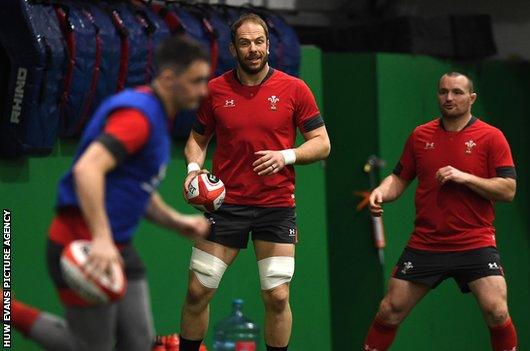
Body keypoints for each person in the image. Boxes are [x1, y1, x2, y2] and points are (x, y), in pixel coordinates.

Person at [11, 35, 211, 351]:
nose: (203, 90)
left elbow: (136, 188)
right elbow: (87, 170)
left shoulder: (159, 118)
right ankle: (7, 309)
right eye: (197, 80)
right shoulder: (138, 116)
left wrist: (176, 222)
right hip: (82, 240)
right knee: (91, 346)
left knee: (139, 343)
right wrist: (101, 238)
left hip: (118, 246)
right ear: (170, 78)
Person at [178, 13, 330, 351]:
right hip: (226, 206)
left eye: (259, 42)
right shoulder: (215, 90)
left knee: (277, 296)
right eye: (245, 43)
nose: (253, 49)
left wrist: (286, 155)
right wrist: (192, 170)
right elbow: (197, 140)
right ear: (233, 48)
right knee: (197, 291)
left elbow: (322, 143)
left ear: (268, 45)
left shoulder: (294, 89)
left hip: (275, 207)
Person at [363, 72, 519, 351]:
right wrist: (380, 192)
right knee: (390, 309)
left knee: (497, 311)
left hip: (475, 241)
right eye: (443, 91)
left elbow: (508, 190)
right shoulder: (420, 135)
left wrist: (466, 177)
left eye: (457, 92)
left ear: (471, 98)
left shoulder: (491, 137)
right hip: (427, 243)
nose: (448, 98)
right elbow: (399, 179)